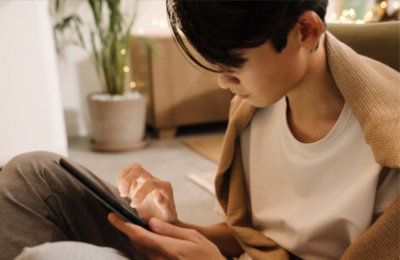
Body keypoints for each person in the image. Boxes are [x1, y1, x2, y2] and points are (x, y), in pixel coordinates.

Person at [0, 1, 399, 259]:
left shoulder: (388, 150)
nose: (223, 83)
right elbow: (257, 237)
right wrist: (172, 228)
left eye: (233, 66)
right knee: (31, 175)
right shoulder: (254, 110)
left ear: (306, 31)